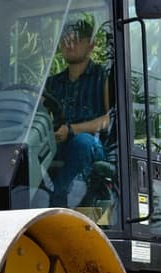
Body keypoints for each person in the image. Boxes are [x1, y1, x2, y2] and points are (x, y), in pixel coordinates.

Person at [44, 17, 112, 208]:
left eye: (77, 39)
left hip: (93, 147)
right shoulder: (52, 83)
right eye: (65, 39)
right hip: (57, 145)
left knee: (82, 142)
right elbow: (39, 116)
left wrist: (72, 130)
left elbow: (109, 120)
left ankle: (60, 204)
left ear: (91, 45)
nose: (69, 43)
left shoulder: (103, 77)